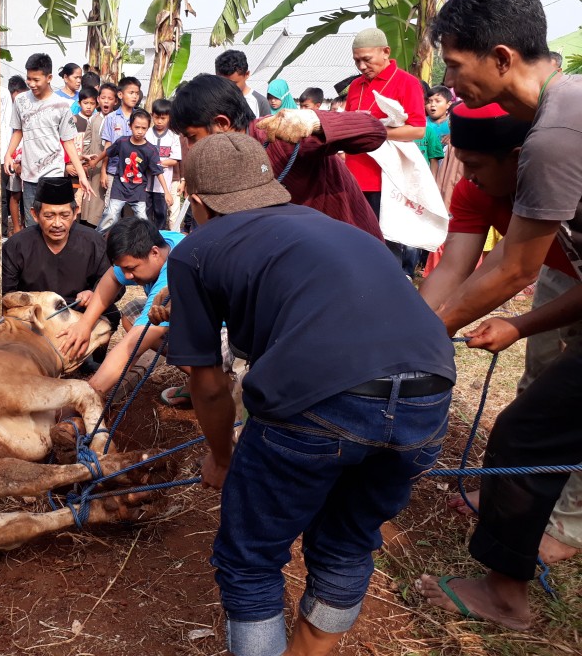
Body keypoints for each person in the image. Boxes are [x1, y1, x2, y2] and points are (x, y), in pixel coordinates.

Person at [164, 131, 454, 656]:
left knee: (250, 559)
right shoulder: (339, 229)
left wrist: (223, 457)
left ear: (197, 202)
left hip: (322, 399)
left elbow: (206, 383)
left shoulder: (195, 251)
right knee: (346, 545)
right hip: (429, 395)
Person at [414, 0, 582, 630]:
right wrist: (520, 325)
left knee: (526, 431)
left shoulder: (552, 139)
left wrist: (417, 341)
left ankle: (505, 598)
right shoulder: (565, 111)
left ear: (503, 58)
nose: (452, 84)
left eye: (456, 66)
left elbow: (513, 267)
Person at [418, 101, 581, 565]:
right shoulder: (476, 190)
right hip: (560, 272)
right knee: (538, 387)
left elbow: (511, 272)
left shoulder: (564, 182)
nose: (465, 176)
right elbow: (454, 266)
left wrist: (518, 324)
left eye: (473, 165)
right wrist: (415, 327)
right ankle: (509, 490)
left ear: (518, 158)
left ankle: (569, 524)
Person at [170, 74, 385, 241]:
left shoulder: (281, 136)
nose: (190, 147)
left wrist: (314, 122)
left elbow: (374, 131)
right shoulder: (223, 165)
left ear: (222, 124)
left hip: (349, 251)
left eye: (192, 137)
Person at [60, 217, 182, 396]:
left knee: (142, 333)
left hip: (221, 329)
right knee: (131, 314)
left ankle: (207, 377)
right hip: (190, 316)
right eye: (123, 268)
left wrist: (87, 395)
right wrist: (85, 323)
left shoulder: (175, 269)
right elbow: (112, 277)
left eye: (131, 268)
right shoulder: (158, 241)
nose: (127, 276)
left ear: (154, 253)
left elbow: (134, 343)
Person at [1, 176, 118, 333]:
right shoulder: (16, 245)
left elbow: (115, 281)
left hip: (80, 312)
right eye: (49, 216)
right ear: (35, 214)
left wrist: (93, 293)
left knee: (111, 315)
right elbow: (6, 294)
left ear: (75, 212)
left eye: (64, 215)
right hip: (34, 317)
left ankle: (93, 358)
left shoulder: (93, 241)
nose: (57, 223)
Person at [344, 28, 427, 218]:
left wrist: (375, 131)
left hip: (387, 181)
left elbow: (418, 130)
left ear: (386, 52)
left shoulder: (407, 83)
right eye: (357, 61)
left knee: (386, 243)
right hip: (353, 176)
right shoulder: (356, 85)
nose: (362, 66)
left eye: (367, 59)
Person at [4, 53, 93, 226]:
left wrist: (81, 174)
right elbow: (18, 130)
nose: (31, 84)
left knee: (53, 223)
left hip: (54, 175)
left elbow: (68, 142)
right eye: (29, 79)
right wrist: (9, 154)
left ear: (49, 77)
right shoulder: (21, 101)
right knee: (32, 223)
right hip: (29, 176)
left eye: (36, 80)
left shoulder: (62, 105)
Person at [93, 109, 170, 232]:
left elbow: (158, 171)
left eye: (143, 128)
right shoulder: (122, 142)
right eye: (137, 127)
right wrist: (95, 161)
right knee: (111, 215)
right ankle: (97, 237)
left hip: (138, 189)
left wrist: (166, 192)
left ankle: (146, 242)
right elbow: (108, 152)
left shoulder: (151, 149)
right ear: (130, 126)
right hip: (120, 186)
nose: (140, 131)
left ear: (147, 128)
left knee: (142, 219)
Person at [99, 76, 143, 215]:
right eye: (131, 92)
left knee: (132, 213)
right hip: (114, 171)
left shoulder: (141, 117)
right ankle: (107, 237)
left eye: (137, 93)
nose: (134, 96)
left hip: (134, 173)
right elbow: (108, 146)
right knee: (111, 212)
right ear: (120, 94)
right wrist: (103, 171)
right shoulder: (111, 118)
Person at [80, 82, 117, 228]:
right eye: (103, 98)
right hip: (94, 165)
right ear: (98, 100)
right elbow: (87, 142)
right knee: (93, 200)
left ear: (116, 100)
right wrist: (85, 163)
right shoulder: (94, 120)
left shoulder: (117, 119)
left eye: (110, 98)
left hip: (111, 167)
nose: (106, 101)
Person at [145, 98, 180, 230]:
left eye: (163, 118)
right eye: (156, 117)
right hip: (146, 184)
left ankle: (159, 238)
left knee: (161, 214)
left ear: (169, 118)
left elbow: (174, 159)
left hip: (162, 185)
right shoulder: (147, 134)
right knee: (146, 214)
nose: (159, 121)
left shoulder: (173, 136)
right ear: (152, 115)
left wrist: (156, 163)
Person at [3, 75, 29, 236]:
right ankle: (16, 226)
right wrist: (11, 159)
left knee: (29, 196)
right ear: (14, 93)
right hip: (13, 158)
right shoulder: (7, 109)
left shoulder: (27, 107)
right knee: (15, 195)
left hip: (29, 158)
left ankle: (25, 225)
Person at [215, 49, 272, 118]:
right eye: (223, 83)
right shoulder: (213, 101)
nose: (228, 87)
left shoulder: (260, 102)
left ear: (247, 74)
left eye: (233, 84)